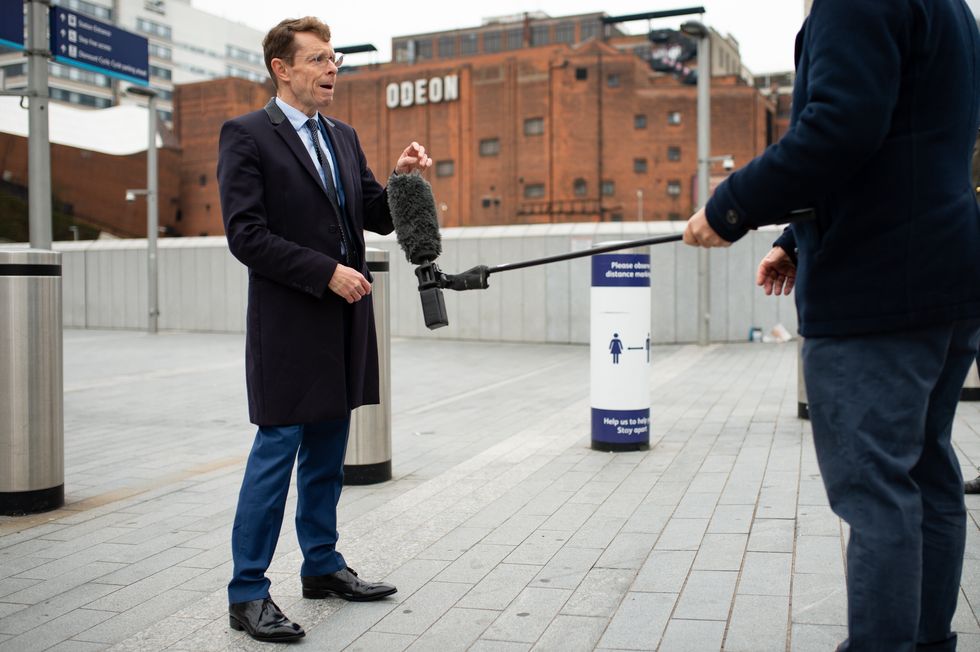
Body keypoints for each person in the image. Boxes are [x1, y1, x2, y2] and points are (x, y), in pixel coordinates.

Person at [683, 1, 980, 651]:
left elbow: (841, 126)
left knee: (877, 494)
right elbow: (905, 141)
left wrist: (730, 207)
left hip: (876, 287)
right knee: (929, 474)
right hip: (947, 275)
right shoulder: (952, 8)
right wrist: (794, 235)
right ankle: (927, 642)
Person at [217, 16, 432, 643]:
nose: (331, 69)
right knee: (276, 450)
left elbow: (373, 213)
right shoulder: (247, 134)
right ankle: (247, 592)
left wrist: (403, 178)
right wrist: (326, 272)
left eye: (333, 58)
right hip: (289, 321)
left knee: (328, 450)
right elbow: (246, 236)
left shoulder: (342, 135)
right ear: (282, 69)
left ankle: (322, 566)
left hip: (343, 317)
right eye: (317, 60)